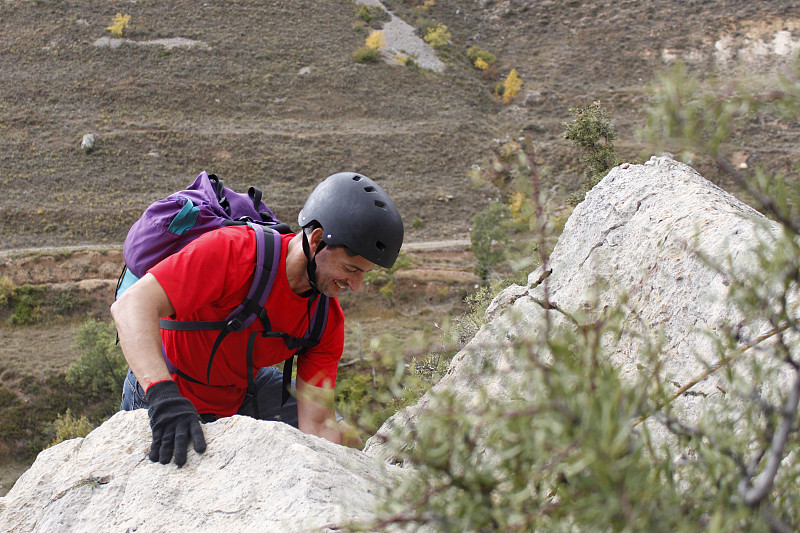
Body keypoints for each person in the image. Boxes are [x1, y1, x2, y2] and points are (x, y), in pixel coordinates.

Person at [111, 172, 404, 466]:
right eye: (351, 269)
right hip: (168, 390)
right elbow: (130, 305)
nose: (356, 286)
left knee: (344, 436)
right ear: (316, 241)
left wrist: (329, 473)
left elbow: (318, 423)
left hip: (239, 392)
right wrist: (163, 396)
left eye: (364, 273)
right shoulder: (235, 253)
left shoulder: (324, 319)